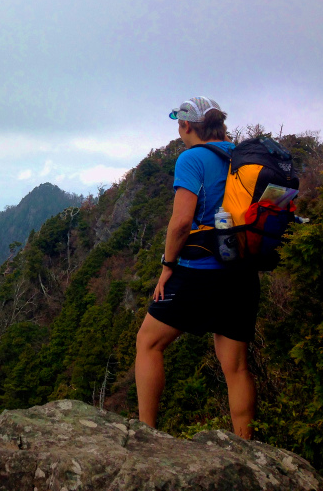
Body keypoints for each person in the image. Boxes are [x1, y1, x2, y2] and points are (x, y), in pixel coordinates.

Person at [135, 96, 260, 439]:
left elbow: (180, 223)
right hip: (242, 271)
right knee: (235, 366)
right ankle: (246, 449)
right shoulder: (241, 156)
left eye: (179, 124)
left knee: (148, 342)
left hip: (199, 271)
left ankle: (147, 435)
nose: (179, 131)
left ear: (187, 126)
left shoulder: (191, 159)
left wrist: (167, 266)